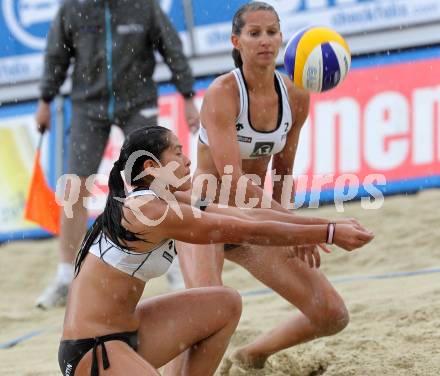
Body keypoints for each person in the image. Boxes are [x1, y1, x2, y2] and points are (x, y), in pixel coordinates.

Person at [59, 125, 373, 376]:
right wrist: (329, 233)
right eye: (178, 153)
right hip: (91, 348)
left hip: (132, 334)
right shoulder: (148, 210)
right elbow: (248, 231)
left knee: (225, 304)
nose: (188, 160)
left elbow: (249, 215)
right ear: (152, 167)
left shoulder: (167, 199)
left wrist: (325, 225)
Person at [175, 1, 373, 370]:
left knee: (331, 314)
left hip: (252, 217)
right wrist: (298, 228)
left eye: (271, 32)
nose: (264, 40)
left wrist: (290, 227)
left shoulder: (296, 95)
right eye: (254, 33)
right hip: (204, 217)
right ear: (236, 41)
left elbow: (283, 173)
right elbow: (232, 181)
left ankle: (252, 355)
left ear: (283, 38)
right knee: (203, 317)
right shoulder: (222, 94)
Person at [34, 0, 199, 308]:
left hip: (137, 102)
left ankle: (175, 265)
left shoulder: (143, 6)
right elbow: (56, 56)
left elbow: (172, 48)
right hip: (88, 106)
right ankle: (66, 274)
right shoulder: (73, 8)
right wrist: (45, 100)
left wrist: (188, 96)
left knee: (157, 183)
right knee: (73, 187)